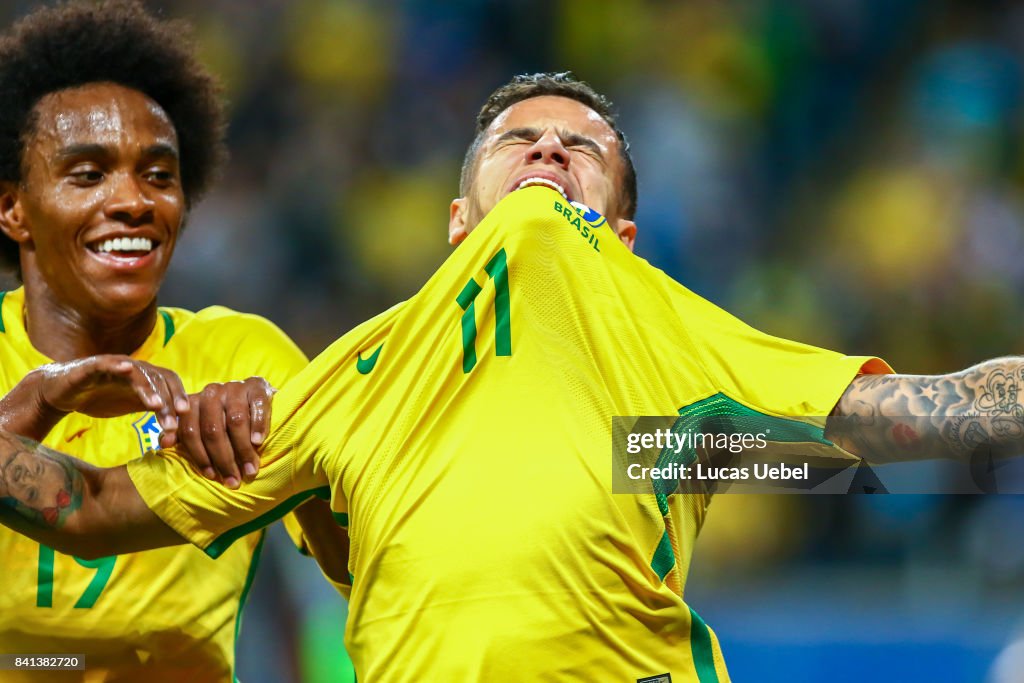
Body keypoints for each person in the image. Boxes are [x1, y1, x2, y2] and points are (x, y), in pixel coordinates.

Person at [0, 72, 1019, 682]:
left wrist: (745, 458)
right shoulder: (352, 382)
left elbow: (909, 426)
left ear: (620, 237)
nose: (547, 148)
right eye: (517, 140)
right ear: (456, 223)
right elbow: (89, 507)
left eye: (584, 148)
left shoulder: (666, 358)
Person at [0, 2, 341, 680]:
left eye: (159, 175)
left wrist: (291, 452)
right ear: (13, 208)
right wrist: (32, 406)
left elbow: (367, 563)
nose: (134, 201)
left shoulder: (244, 357)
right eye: (88, 174)